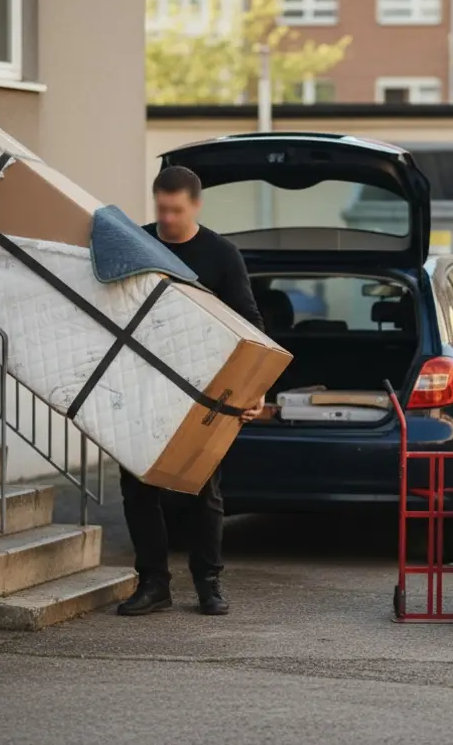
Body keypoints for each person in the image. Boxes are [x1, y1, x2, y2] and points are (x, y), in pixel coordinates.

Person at [117, 166, 265, 617]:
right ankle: (153, 583)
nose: (167, 218)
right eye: (161, 208)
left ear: (196, 205)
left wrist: (254, 388)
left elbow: (251, 326)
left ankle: (208, 584)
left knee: (204, 490)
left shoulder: (221, 254)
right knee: (138, 487)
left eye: (176, 210)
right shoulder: (137, 243)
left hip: (203, 390)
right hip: (141, 383)